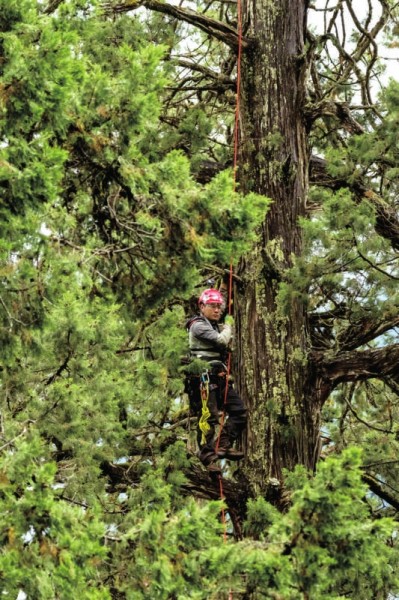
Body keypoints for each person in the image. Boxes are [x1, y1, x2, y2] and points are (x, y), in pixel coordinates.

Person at [185, 288, 247, 472]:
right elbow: (221, 341)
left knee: (239, 410)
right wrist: (228, 327)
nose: (217, 310)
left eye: (219, 307)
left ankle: (223, 442)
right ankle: (207, 456)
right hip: (203, 379)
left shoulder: (212, 325)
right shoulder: (198, 325)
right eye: (213, 306)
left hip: (219, 378)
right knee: (208, 416)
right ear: (202, 307)